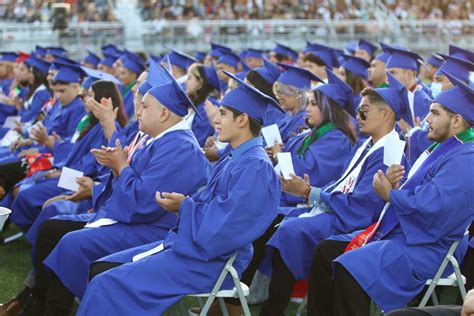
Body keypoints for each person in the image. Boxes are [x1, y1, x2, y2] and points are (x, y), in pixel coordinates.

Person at [75, 71, 284, 315]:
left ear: (242, 120)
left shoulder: (255, 166)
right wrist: (185, 205)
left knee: (106, 284)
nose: (216, 118)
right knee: (105, 268)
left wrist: (185, 207)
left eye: (224, 113)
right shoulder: (236, 158)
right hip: (194, 248)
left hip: (211, 261)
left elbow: (228, 226)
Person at [15, 65, 211, 315]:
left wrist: (120, 165)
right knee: (52, 228)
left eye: (145, 105)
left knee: (70, 243)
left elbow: (143, 203)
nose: (137, 110)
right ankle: (38, 305)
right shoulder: (159, 139)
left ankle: (52, 309)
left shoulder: (180, 148)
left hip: (151, 229)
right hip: (129, 217)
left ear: (163, 113)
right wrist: (114, 169)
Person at [307, 71, 474, 316]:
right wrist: (399, 185)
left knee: (349, 267)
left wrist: (390, 195)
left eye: (435, 113)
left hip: (428, 245)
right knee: (326, 251)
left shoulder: (465, 157)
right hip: (409, 233)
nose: (426, 119)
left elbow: (435, 206)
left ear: (457, 121)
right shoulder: (445, 148)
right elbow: (428, 193)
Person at [259, 72, 411, 315]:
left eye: (364, 112)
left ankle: (274, 305)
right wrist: (314, 191)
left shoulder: (389, 154)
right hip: (338, 211)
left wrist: (311, 192)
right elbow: (342, 183)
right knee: (283, 222)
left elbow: (362, 206)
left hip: (356, 222)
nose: (358, 118)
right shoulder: (368, 145)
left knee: (291, 230)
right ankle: (270, 301)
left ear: (385, 115)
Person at [273, 63, 320, 143]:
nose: (279, 97)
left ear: (298, 94)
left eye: (282, 92)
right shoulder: (286, 115)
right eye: (277, 93)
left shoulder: (304, 121)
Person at [185, 63, 219, 147]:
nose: (185, 82)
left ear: (200, 82)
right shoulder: (197, 104)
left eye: (189, 78)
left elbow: (199, 141)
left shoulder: (207, 106)